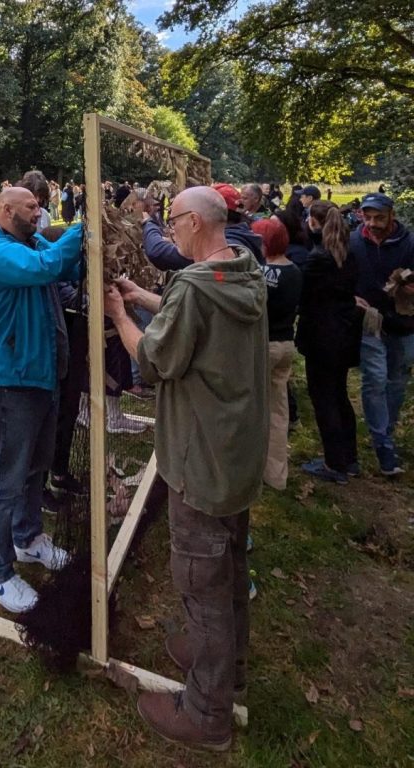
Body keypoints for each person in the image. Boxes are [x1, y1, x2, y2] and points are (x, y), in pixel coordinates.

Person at [104, 186, 268, 752]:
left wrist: (120, 313)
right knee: (230, 563)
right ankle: (230, 665)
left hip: (200, 460)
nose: (167, 229)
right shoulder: (242, 270)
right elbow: (189, 315)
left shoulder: (197, 288)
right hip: (236, 453)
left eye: (172, 221)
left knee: (202, 585)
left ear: (194, 222)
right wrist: (147, 295)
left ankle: (205, 714)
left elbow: (154, 360)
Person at [0, 188, 82, 613]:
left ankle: (29, 538)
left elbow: (60, 262)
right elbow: (47, 266)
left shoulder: (29, 242)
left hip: (42, 377)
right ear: (5, 210)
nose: (39, 212)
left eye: (40, 206)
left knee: (36, 467)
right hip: (13, 383)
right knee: (6, 480)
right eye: (31, 208)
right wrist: (84, 231)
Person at [296, 201, 361, 484]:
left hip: (321, 336)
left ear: (313, 221)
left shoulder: (318, 259)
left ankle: (334, 463)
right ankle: (350, 458)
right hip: (345, 333)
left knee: (324, 399)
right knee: (339, 394)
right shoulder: (346, 252)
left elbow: (304, 296)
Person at [350, 193, 414, 475]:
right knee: (374, 378)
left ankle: (385, 429)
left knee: (397, 379)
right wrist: (349, 297)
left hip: (404, 322)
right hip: (370, 321)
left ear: (391, 215)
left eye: (379, 217)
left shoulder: (410, 244)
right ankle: (383, 445)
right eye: (368, 217)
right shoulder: (354, 241)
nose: (373, 223)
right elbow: (342, 275)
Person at [252, 216, 303, 489]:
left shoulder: (259, 272)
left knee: (253, 408)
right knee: (278, 410)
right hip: (286, 345)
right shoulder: (295, 271)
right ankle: (276, 474)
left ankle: (250, 468)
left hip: (263, 345)